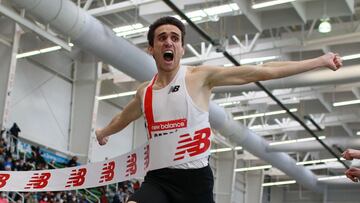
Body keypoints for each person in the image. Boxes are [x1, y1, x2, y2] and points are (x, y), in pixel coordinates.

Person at [95, 16, 342, 203]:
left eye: (175, 38)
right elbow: (123, 117)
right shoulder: (144, 92)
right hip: (159, 179)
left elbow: (262, 70)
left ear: (181, 49)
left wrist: (319, 61)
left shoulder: (199, 77)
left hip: (196, 182)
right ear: (152, 48)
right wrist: (103, 132)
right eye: (162, 38)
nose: (168, 41)